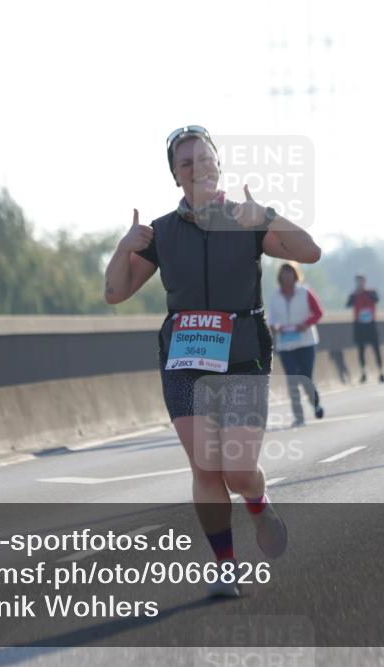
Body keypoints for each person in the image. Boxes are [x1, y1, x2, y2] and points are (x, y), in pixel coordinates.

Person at [103, 125, 321, 597]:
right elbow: (115, 292)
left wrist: (269, 215)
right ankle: (226, 566)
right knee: (205, 465)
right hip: (184, 358)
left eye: (204, 159)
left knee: (238, 471)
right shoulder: (161, 232)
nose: (197, 168)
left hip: (242, 353)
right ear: (175, 176)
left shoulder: (244, 220)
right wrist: (124, 246)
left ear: (218, 165)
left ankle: (258, 504)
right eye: (186, 163)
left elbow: (310, 252)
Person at [268, 262, 325, 427]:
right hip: (285, 344)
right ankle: (298, 416)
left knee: (306, 377)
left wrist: (306, 324)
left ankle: (315, 404)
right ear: (280, 277)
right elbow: (271, 318)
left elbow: (319, 313)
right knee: (292, 379)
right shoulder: (275, 296)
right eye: (284, 274)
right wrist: (274, 326)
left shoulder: (305, 292)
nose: (287, 277)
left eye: (290, 273)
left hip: (305, 341)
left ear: (295, 275)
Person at [347, 275, 384, 383]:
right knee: (361, 350)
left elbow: (376, 300)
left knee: (376, 349)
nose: (359, 283)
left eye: (361, 281)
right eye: (357, 282)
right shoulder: (354, 294)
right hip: (359, 325)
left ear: (365, 282)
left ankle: (381, 372)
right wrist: (355, 294)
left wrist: (365, 292)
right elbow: (348, 304)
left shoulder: (371, 292)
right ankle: (363, 373)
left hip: (371, 325)